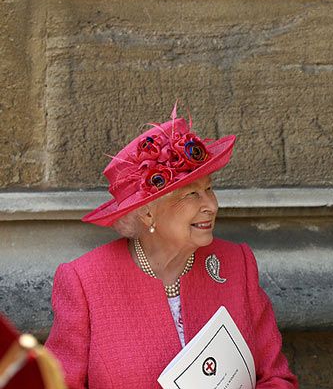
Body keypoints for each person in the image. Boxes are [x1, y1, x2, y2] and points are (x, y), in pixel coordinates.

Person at [45, 105, 298, 389]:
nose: (211, 206)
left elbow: (277, 378)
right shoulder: (84, 282)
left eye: (209, 189)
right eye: (191, 194)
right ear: (147, 213)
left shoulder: (237, 263)